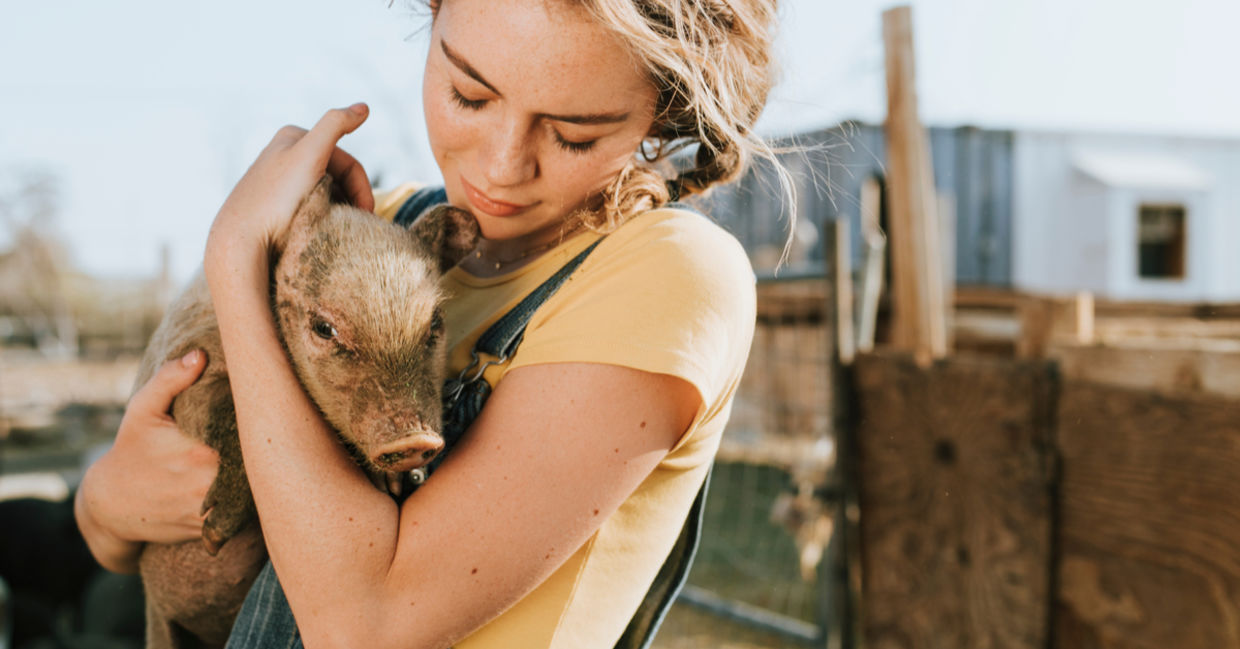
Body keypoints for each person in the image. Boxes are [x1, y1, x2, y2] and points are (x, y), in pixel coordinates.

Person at [74, 0, 790, 646]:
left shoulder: (666, 273)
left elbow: (363, 624)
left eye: (572, 134)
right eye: (468, 94)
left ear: (662, 113)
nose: (502, 168)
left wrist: (236, 261)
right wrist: (106, 503)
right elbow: (118, 531)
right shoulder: (381, 228)